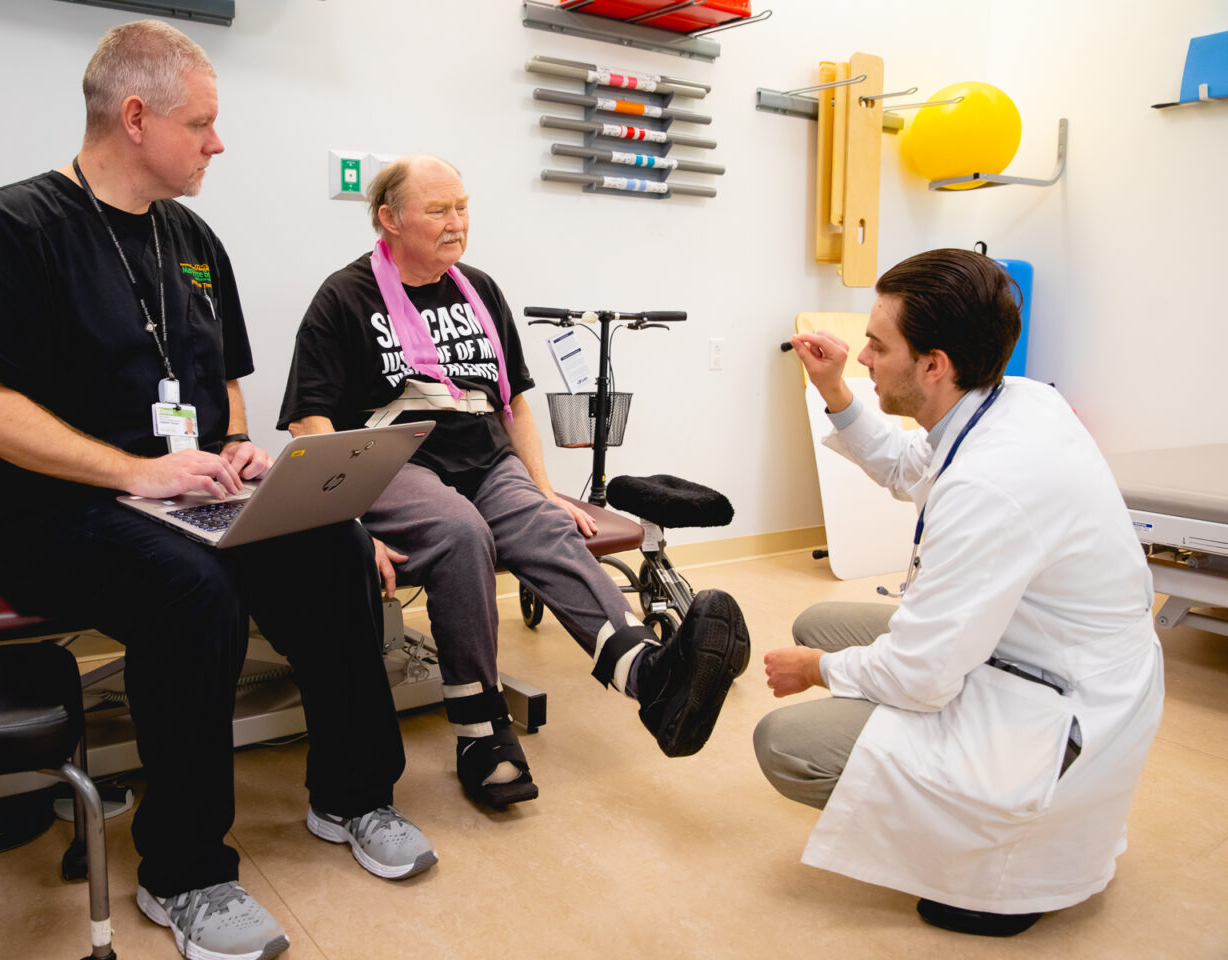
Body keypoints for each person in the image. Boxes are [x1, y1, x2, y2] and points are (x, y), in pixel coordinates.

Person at [0, 21, 435, 960]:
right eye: (201, 122)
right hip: (56, 514)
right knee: (192, 592)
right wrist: (135, 472)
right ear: (134, 116)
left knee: (331, 543)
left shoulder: (192, 237)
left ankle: (352, 795)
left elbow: (224, 375)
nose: (217, 141)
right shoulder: (13, 226)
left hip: (189, 494)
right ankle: (186, 873)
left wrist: (236, 446)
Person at [278, 155, 750, 808]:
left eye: (463, 207)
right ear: (388, 219)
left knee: (547, 525)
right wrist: (347, 522)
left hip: (486, 459)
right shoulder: (344, 296)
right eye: (438, 210)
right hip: (394, 464)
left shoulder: (480, 289)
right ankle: (482, 731)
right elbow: (309, 418)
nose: (457, 223)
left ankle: (651, 680)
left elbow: (516, 406)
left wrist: (545, 489)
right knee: (460, 533)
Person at [758, 248, 1164, 936]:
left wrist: (819, 673)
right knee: (821, 621)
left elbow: (919, 676)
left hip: (1061, 705)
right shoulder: (1013, 400)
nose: (862, 357)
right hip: (1028, 650)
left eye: (877, 346)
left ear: (934, 365)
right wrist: (832, 388)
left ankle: (1000, 869)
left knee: (786, 743)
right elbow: (904, 466)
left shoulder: (992, 486)